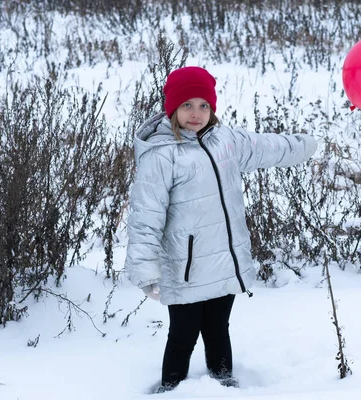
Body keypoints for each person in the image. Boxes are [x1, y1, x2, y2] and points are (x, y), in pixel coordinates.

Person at [124, 66, 317, 392]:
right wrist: (145, 269)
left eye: (203, 105)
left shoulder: (225, 140)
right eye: (187, 105)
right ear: (172, 108)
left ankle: (224, 383)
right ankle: (170, 389)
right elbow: (145, 216)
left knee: (217, 328)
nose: (196, 113)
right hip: (185, 269)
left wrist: (306, 144)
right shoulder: (161, 156)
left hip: (224, 263)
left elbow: (269, 147)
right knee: (182, 336)